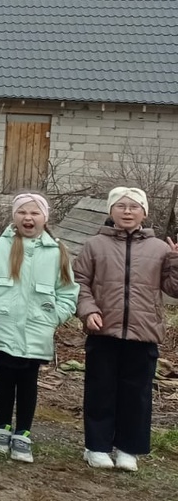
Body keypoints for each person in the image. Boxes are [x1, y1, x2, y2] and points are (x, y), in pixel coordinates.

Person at [0, 192, 79, 463]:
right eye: (22, 213)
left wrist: (54, 318)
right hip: (3, 327)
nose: (28, 218)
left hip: (36, 331)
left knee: (28, 382)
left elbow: (68, 293)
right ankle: (2, 428)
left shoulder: (57, 252)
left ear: (45, 218)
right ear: (14, 216)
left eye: (34, 213)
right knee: (4, 379)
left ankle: (23, 434)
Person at [75, 187, 178, 472]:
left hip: (143, 334)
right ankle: (96, 447)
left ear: (144, 212)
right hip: (103, 331)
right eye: (121, 206)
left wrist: (176, 261)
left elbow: (173, 289)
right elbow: (79, 283)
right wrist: (88, 310)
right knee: (100, 390)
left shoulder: (160, 248)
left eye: (134, 207)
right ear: (111, 211)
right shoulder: (95, 245)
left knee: (137, 394)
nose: (127, 211)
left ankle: (128, 449)